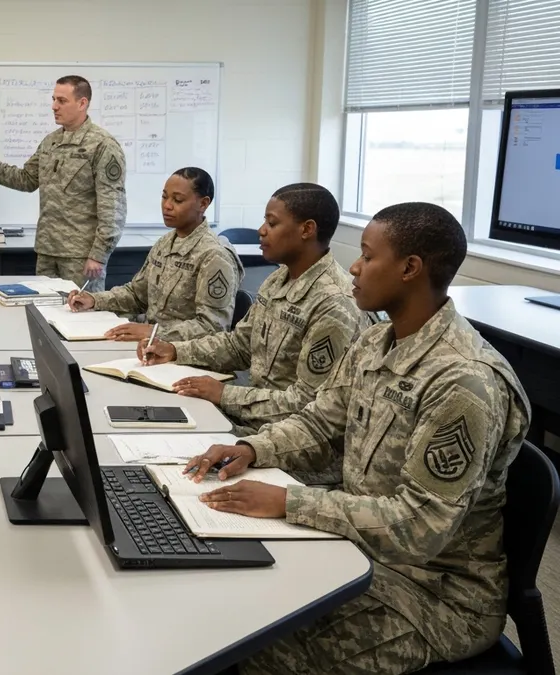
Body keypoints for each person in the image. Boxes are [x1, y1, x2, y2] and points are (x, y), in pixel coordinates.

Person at [184, 203, 530, 674]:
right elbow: (318, 421)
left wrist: (291, 503)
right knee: (223, 594)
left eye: (367, 256)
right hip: (358, 549)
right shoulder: (376, 342)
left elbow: (418, 526)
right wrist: (251, 448)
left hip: (434, 595)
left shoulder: (463, 383)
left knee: (255, 645)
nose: (354, 265)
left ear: (410, 269)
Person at [136, 183, 367, 438]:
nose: (261, 230)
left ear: (307, 229)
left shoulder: (333, 304)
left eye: (272, 223)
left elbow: (307, 403)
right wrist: (175, 350)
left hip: (288, 441)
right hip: (250, 421)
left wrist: (224, 394)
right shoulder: (278, 278)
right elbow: (239, 346)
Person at [0, 75, 127, 291]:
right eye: (53, 99)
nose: (54, 106)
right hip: (47, 251)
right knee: (45, 315)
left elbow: (113, 208)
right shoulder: (51, 142)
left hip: (81, 256)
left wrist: (99, 255)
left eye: (61, 100)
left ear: (82, 103)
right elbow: (27, 179)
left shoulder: (102, 146)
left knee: (80, 319)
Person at [68, 167, 242, 342]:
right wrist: (94, 300)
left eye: (178, 200)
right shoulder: (165, 243)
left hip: (181, 353)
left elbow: (212, 328)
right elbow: (137, 295)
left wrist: (154, 333)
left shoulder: (215, 256)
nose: (167, 205)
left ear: (203, 204)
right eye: (164, 197)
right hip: (150, 345)